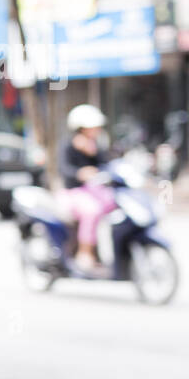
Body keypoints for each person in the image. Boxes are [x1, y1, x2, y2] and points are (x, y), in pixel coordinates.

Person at [58, 103, 114, 272]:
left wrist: (94, 153)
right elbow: (64, 170)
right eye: (92, 127)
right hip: (73, 193)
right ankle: (85, 253)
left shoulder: (96, 145)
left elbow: (107, 165)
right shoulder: (68, 146)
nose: (96, 130)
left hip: (96, 191)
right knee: (92, 211)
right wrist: (80, 173)